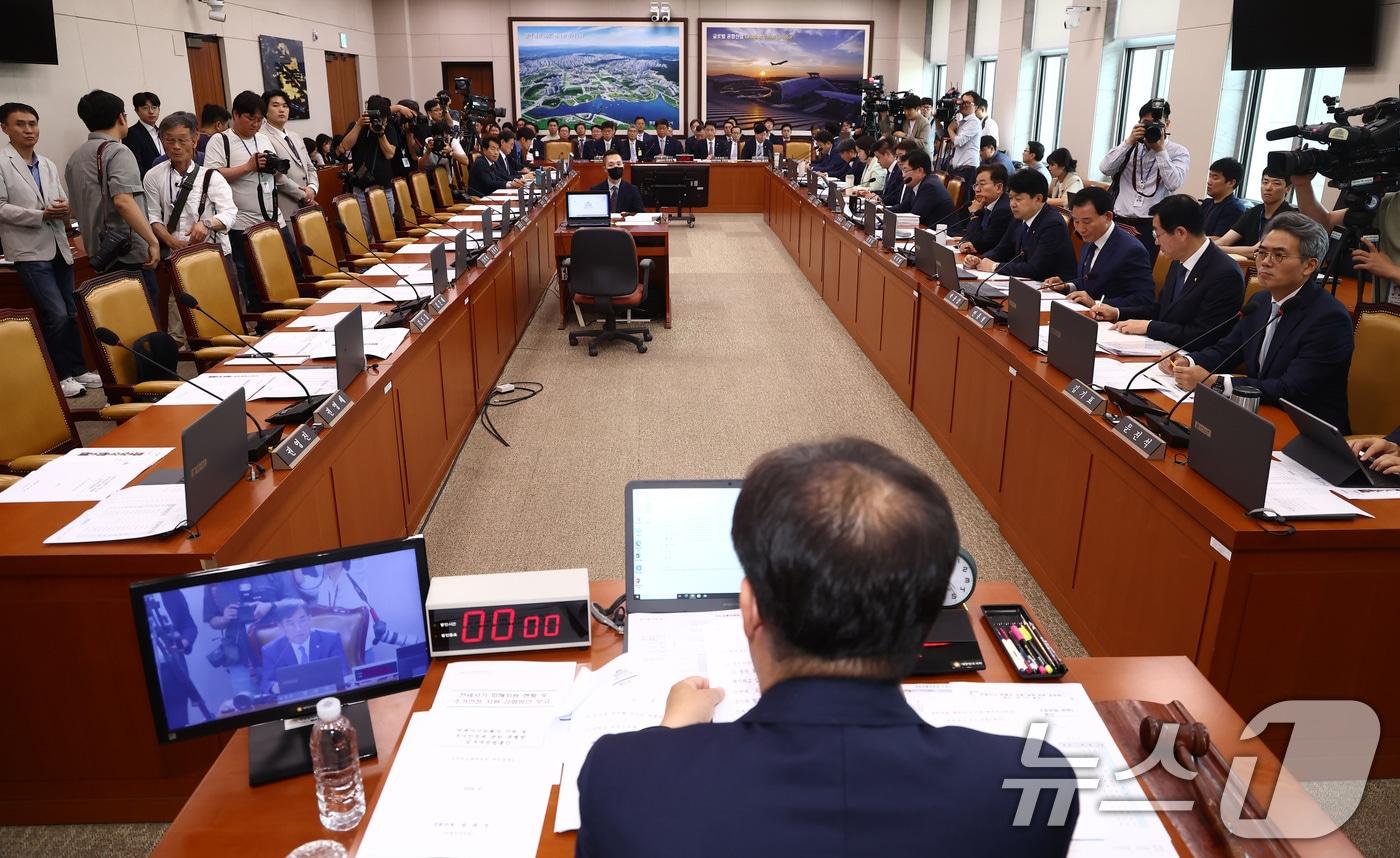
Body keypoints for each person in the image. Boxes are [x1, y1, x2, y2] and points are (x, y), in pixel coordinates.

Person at [576, 438, 1079, 858]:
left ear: (750, 609)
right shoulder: (1033, 785)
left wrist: (668, 743)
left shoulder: (620, 776)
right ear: (928, 618)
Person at [1165, 212, 1354, 430]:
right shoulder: (1261, 301)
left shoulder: (1329, 319)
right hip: (1259, 415)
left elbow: (1289, 390)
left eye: (1279, 256)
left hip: (1308, 433)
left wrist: (1215, 383)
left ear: (1309, 266)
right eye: (1262, 253)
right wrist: (1187, 361)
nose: (1265, 262)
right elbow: (1227, 349)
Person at [0, 101, 100, 397]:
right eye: (21, 124)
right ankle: (62, 375)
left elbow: (60, 200)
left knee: (70, 311)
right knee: (54, 313)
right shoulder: (3, 163)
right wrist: (39, 215)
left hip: (59, 245)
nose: (29, 130)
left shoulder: (46, 163)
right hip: (29, 250)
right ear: (5, 128)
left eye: (32, 123)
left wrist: (64, 208)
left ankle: (79, 368)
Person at [1101, 194, 1244, 348]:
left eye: (1157, 234)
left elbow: (1203, 335)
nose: (1156, 242)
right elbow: (1161, 310)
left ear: (1180, 233)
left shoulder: (1225, 274)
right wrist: (1118, 312)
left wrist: (1149, 327)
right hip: (1164, 348)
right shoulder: (1179, 260)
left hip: (1191, 361)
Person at [65, 90, 161, 303]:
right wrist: (152, 241)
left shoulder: (75, 158)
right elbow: (123, 201)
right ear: (121, 117)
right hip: (127, 254)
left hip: (99, 254)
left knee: (119, 319)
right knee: (144, 319)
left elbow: (73, 209)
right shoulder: (118, 152)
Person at [204, 90, 289, 309]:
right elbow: (212, 176)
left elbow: (276, 173)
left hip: (272, 218)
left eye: (260, 120)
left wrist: (275, 167)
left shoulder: (263, 138)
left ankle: (283, 312)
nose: (256, 124)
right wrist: (248, 167)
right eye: (250, 118)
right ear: (235, 115)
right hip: (242, 224)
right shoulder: (220, 140)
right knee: (251, 279)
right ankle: (260, 320)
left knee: (282, 270)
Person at [1098, 99, 1189, 259]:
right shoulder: (1129, 146)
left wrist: (1161, 151)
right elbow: (1105, 168)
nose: (1151, 128)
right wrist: (1128, 142)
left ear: (1167, 124)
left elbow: (1174, 183)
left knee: (1141, 272)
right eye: (1146, 123)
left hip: (1151, 227)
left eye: (1157, 124)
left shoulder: (1178, 152)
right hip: (1119, 222)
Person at [1292, 173, 1400, 303]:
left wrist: (1392, 271)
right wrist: (1302, 185)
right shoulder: (1388, 204)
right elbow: (1324, 222)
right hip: (1382, 316)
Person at [1047, 187, 1156, 314]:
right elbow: (1088, 283)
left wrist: (1097, 304)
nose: (1081, 229)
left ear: (1108, 216)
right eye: (1076, 221)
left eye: (1087, 222)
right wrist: (1067, 287)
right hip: (1083, 316)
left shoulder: (1132, 250)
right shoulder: (1090, 239)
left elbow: (1144, 300)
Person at [143, 113, 236, 258]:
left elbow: (229, 214)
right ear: (162, 141)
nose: (176, 147)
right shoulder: (153, 176)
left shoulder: (211, 176)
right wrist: (172, 242)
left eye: (182, 140)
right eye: (170, 140)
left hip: (214, 253)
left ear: (195, 140)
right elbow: (153, 217)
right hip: (176, 257)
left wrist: (207, 224)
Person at [963, 169, 1077, 282]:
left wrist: (995, 267)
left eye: (1018, 199)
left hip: (1051, 291)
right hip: (1025, 284)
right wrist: (979, 260)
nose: (1012, 204)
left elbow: (1035, 269)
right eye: (1011, 198)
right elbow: (1002, 249)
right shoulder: (1019, 217)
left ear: (1038, 198)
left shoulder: (1053, 224)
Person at [203, 572, 297, 698]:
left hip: (278, 652)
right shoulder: (213, 582)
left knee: (289, 698)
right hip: (240, 657)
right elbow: (212, 620)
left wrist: (270, 606)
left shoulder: (272, 568)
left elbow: (295, 602)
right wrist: (224, 619)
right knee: (248, 707)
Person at [337, 93, 401, 237]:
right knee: (365, 230)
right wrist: (359, 125)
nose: (381, 121)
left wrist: (380, 134)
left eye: (384, 118)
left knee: (387, 229)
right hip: (361, 186)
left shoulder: (389, 128)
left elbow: (390, 154)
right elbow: (345, 146)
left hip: (384, 186)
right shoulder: (357, 126)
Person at [258, 600, 348, 695]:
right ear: (281, 627)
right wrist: (274, 688)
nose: (298, 629)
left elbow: (343, 672)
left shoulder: (331, 639)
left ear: (309, 619)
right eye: (291, 623)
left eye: (302, 620)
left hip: (327, 695)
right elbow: (266, 684)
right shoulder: (271, 651)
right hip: (293, 701)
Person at [261, 90, 318, 226]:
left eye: (285, 106)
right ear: (265, 110)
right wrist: (303, 195)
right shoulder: (262, 137)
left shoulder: (295, 136)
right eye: (275, 105)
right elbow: (276, 175)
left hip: (307, 204)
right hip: (286, 207)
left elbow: (310, 167)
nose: (281, 109)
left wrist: (312, 188)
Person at [1214, 165, 1293, 258]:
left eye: (1276, 183)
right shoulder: (1254, 212)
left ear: (1288, 188)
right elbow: (1224, 241)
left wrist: (1216, 249)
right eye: (1265, 182)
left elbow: (1258, 250)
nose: (1268, 188)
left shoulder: (1289, 217)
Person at [952, 163, 1013, 254]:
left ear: (999, 187)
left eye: (982, 184)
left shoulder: (1003, 210)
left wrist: (974, 216)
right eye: (976, 185)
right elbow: (971, 234)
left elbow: (981, 244)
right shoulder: (986, 205)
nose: (977, 189)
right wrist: (963, 242)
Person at [891, 150, 953, 228]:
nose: (903, 175)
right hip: (925, 231)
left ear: (920, 170)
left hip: (944, 236)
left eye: (905, 170)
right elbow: (903, 207)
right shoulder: (916, 183)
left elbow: (915, 217)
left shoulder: (930, 187)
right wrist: (883, 211)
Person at [1200, 157, 1247, 238]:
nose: (1209, 181)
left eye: (1215, 178)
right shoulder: (1207, 203)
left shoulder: (1234, 208)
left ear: (1231, 183)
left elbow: (1218, 239)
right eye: (1210, 176)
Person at [946, 90, 982, 187]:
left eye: (968, 103)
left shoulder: (974, 122)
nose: (964, 105)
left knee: (962, 200)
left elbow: (958, 141)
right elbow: (945, 137)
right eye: (962, 102)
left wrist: (950, 129)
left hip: (968, 169)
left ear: (976, 107)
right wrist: (938, 121)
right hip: (958, 169)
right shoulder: (961, 121)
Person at [591, 151, 645, 215]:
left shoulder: (632, 190)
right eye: (611, 165)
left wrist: (628, 215)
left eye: (619, 164)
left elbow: (640, 214)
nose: (616, 167)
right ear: (605, 169)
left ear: (623, 166)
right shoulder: (596, 190)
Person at [125, 91, 163, 176]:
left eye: (154, 107)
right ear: (137, 111)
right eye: (145, 108)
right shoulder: (131, 134)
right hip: (149, 184)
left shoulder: (162, 132)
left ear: (159, 109)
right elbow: (135, 166)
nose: (151, 112)